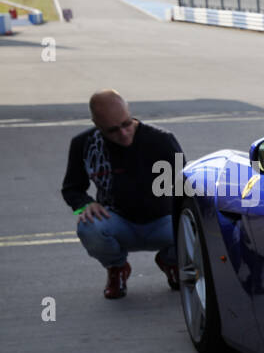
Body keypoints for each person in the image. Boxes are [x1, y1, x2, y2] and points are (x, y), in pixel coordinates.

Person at [61, 90, 185, 299]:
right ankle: (117, 268)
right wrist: (84, 205)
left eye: (127, 124)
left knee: (194, 226)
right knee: (88, 226)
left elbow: (184, 187)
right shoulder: (84, 144)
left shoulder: (162, 140)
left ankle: (172, 261)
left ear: (130, 113)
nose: (124, 133)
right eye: (113, 130)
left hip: (162, 222)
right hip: (117, 221)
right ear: (97, 124)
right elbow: (71, 188)